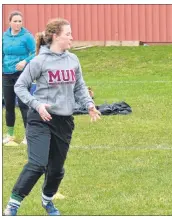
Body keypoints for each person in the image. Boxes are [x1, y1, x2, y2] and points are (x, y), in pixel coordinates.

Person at [3, 18, 101, 216]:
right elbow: (20, 86)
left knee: (56, 170)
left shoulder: (73, 60)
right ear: (55, 36)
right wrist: (37, 105)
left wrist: (89, 104)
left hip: (64, 121)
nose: (72, 37)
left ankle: (47, 201)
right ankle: (12, 206)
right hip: (40, 119)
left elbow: (80, 86)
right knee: (37, 164)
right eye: (68, 34)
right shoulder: (39, 61)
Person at [2, 11, 36, 146]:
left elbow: (35, 53)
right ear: (9, 22)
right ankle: (10, 135)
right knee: (9, 105)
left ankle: (28, 136)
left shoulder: (27, 36)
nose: (17, 24)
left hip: (22, 75)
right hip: (6, 74)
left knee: (23, 105)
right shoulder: (4, 36)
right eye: (15, 21)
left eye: (20, 21)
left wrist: (25, 61)